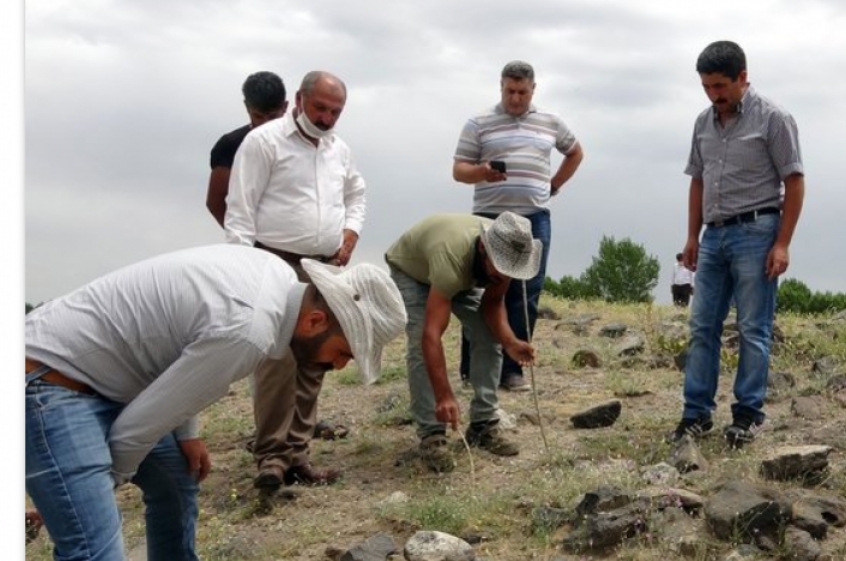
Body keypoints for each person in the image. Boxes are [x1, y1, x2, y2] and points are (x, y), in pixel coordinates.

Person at [25, 244, 406, 560]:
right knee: (92, 549)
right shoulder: (248, 333)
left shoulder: (274, 275)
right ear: (315, 321)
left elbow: (178, 348)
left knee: (177, 477)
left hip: (108, 381)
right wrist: (81, 495)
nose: (338, 366)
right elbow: (130, 437)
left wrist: (187, 433)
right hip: (50, 382)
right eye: (345, 352)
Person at [224, 70, 367, 489]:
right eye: (320, 107)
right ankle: (270, 455)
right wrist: (240, 269)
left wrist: (351, 231)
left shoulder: (339, 149)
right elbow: (240, 209)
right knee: (275, 359)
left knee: (313, 359)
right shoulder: (264, 142)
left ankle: (298, 452)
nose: (326, 118)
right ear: (300, 100)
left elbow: (357, 194)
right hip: (273, 264)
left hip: (322, 267)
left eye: (335, 111)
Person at [670, 40, 805, 448]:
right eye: (707, 86)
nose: (714, 94)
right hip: (713, 235)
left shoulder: (775, 119)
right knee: (702, 326)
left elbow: (794, 181)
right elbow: (698, 179)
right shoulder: (702, 123)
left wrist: (782, 243)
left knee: (752, 328)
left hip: (757, 230)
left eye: (720, 85)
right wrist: (692, 236)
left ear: (743, 77)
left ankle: (747, 414)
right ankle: (696, 414)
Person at [452, 60, 584, 392]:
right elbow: (458, 170)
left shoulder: (550, 122)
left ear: (533, 89)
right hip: (488, 216)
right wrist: (482, 171)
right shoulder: (478, 122)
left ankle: (513, 370)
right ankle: (474, 369)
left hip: (533, 217)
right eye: (510, 91)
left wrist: (553, 186)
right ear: (500, 87)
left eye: (522, 92)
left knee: (526, 291)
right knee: (480, 290)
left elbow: (576, 153)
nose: (515, 99)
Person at [385, 211, 540, 473]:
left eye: (509, 272)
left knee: (488, 335)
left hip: (457, 270)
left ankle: (483, 424)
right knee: (419, 344)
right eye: (500, 269)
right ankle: (432, 435)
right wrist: (445, 396)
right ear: (483, 248)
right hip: (414, 269)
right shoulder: (453, 258)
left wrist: (510, 341)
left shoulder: (508, 253)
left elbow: (491, 305)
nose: (504, 277)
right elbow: (431, 336)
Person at [206, 71, 288, 226]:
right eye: (258, 116)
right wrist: (243, 238)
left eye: (272, 117)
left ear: (285, 107)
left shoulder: (300, 142)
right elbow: (215, 201)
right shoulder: (231, 145)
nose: (265, 124)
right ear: (247, 107)